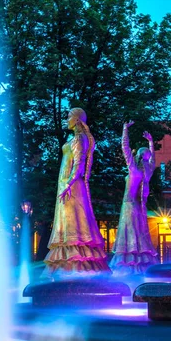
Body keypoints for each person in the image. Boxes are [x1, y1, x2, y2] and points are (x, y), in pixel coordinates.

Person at [42, 108, 110, 278]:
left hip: (71, 187)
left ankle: (77, 266)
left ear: (78, 120)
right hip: (67, 185)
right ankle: (68, 265)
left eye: (69, 116)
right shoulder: (76, 138)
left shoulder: (79, 139)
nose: (66, 119)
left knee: (75, 226)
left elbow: (79, 164)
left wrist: (68, 184)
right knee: (69, 225)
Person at [110, 121, 158, 275]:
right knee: (137, 230)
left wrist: (126, 130)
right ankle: (138, 263)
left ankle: (131, 264)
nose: (148, 158)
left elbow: (125, 148)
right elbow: (151, 160)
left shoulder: (137, 168)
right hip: (135, 204)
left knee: (132, 230)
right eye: (148, 155)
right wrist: (150, 142)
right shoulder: (142, 169)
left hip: (132, 203)